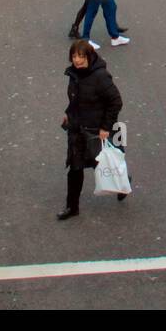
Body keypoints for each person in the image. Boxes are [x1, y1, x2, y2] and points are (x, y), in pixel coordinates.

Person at [57, 40, 124, 220]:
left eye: (81, 56)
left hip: (94, 130)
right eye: (74, 56)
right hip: (77, 128)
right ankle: (72, 207)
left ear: (89, 56)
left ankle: (123, 184)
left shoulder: (101, 77)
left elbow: (115, 101)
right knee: (75, 168)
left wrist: (105, 127)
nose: (77, 60)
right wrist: (68, 113)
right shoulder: (74, 74)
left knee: (103, 164)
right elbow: (76, 98)